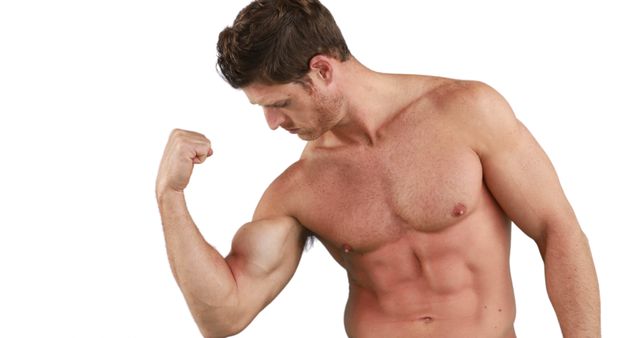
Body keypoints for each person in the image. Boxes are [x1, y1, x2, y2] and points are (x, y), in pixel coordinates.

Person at [155, 1, 600, 337]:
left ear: (323, 71)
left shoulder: (465, 113)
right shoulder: (299, 190)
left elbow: (557, 231)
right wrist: (169, 197)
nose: (272, 124)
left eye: (280, 104)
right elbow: (223, 315)